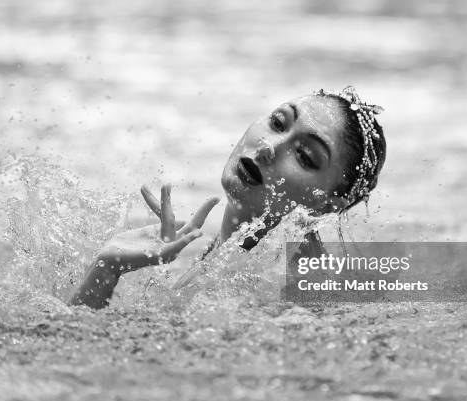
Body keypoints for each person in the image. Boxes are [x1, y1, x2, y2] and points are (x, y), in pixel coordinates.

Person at [69, 86, 386, 309]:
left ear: (328, 204)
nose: (268, 148)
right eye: (278, 123)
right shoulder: (234, 264)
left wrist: (106, 269)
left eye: (305, 155)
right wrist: (110, 265)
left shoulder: (279, 293)